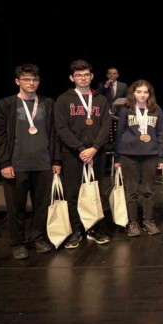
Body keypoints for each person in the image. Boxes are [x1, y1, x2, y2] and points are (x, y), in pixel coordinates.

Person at [0, 64, 61, 259]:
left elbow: (55, 133)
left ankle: (38, 238)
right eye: (27, 79)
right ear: (17, 81)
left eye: (35, 79)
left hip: (44, 163)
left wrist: (56, 160)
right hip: (16, 165)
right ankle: (17, 243)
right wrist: (4, 162)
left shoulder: (48, 103)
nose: (31, 83)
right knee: (16, 207)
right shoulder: (6, 104)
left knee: (42, 205)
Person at [54, 59, 112, 248]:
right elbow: (61, 128)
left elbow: (106, 125)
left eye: (86, 75)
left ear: (92, 76)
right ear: (72, 78)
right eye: (78, 75)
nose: (83, 78)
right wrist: (80, 149)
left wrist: (94, 148)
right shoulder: (64, 99)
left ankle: (95, 229)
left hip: (97, 153)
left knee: (95, 192)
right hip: (73, 154)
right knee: (73, 194)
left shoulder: (101, 99)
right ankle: (76, 230)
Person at [113, 80, 163, 237]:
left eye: (145, 92)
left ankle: (148, 221)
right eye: (139, 92)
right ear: (133, 93)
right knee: (131, 191)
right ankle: (133, 222)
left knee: (148, 191)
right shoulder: (126, 110)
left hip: (150, 156)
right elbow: (119, 134)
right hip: (128, 156)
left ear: (150, 94)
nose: (142, 95)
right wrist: (117, 157)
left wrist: (162, 157)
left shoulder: (156, 110)